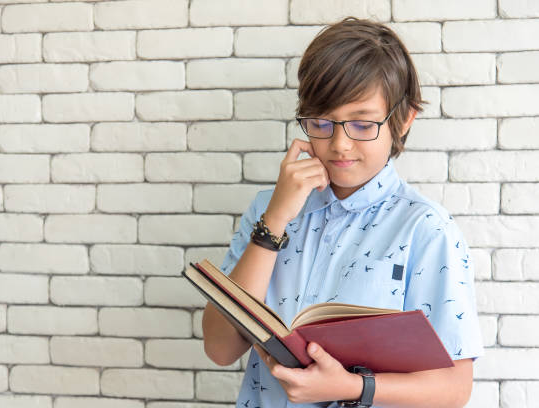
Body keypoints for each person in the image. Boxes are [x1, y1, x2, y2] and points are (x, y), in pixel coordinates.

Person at [202, 17, 484, 408]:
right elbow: (219, 348)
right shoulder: (268, 210)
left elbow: (454, 390)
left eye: (362, 124)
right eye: (321, 122)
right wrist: (274, 221)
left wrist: (354, 388)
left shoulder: (425, 229)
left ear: (402, 121)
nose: (340, 145)